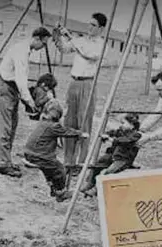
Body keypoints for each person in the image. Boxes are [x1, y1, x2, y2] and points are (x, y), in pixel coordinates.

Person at [0, 26, 52, 178]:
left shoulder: (26, 49)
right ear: (37, 38)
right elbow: (20, 80)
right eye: (43, 44)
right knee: (5, 127)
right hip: (4, 87)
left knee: (12, 125)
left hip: (11, 90)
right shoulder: (21, 51)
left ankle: (5, 160)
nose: (43, 47)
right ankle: (2, 164)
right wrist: (30, 101)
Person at [53, 12, 107, 170]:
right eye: (89, 24)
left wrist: (70, 37)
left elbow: (88, 54)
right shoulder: (80, 40)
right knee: (70, 121)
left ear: (101, 29)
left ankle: (81, 162)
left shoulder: (101, 44)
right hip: (74, 83)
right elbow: (64, 48)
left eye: (94, 25)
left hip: (88, 84)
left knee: (84, 123)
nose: (89, 27)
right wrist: (58, 34)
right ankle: (68, 161)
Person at [23, 100, 88, 202]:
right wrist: (79, 134)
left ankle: (53, 188)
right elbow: (65, 131)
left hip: (29, 153)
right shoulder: (53, 126)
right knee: (60, 170)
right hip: (40, 156)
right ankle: (61, 192)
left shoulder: (42, 123)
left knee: (49, 171)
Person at [80, 112, 142, 197]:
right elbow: (113, 132)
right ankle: (90, 183)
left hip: (123, 159)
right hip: (113, 155)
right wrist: (107, 134)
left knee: (108, 172)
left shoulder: (136, 135)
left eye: (123, 123)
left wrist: (111, 140)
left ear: (132, 125)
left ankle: (96, 190)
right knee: (97, 165)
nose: (121, 125)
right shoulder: (122, 130)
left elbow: (125, 141)